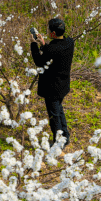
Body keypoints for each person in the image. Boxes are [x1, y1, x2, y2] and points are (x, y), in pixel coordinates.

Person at [30, 18, 74, 148]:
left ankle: (58, 143)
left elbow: (39, 61)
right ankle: (65, 137)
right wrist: (43, 44)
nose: (47, 30)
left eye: (48, 28)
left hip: (52, 88)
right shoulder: (69, 42)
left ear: (53, 33)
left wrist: (34, 44)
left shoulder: (51, 49)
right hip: (63, 85)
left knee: (54, 115)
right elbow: (55, 52)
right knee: (59, 110)